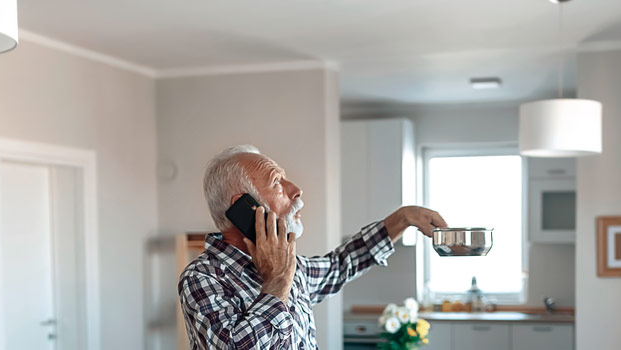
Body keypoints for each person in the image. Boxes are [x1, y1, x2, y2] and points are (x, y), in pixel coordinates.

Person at [179, 145, 447, 350]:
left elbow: (341, 265)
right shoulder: (202, 277)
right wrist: (277, 280)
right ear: (245, 208)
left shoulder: (293, 266)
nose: (296, 190)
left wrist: (402, 219)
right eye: (277, 182)